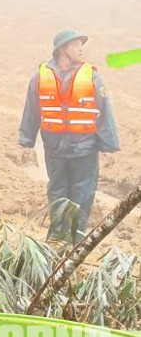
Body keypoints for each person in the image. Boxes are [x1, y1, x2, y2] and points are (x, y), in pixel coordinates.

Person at [18, 29, 120, 242]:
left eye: (81, 45)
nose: (81, 49)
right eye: (75, 45)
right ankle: (56, 238)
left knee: (82, 196)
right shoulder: (40, 77)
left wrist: (109, 147)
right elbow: (32, 112)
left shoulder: (92, 76)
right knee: (57, 192)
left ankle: (75, 240)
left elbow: (104, 112)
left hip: (84, 148)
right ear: (62, 49)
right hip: (54, 149)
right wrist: (26, 143)